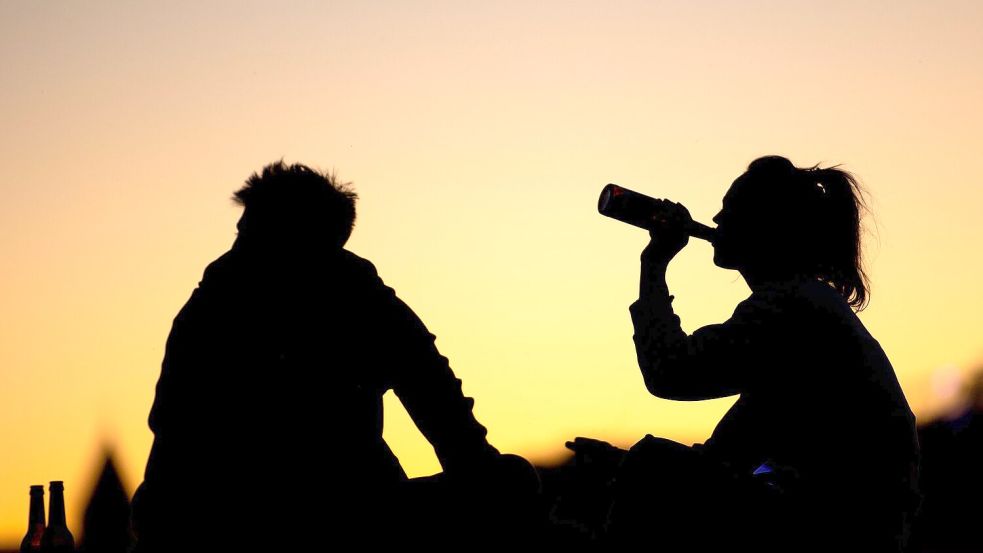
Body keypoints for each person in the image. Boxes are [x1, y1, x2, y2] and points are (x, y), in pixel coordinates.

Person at [130, 162, 530, 551]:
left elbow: (435, 393)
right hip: (247, 521)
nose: (238, 250)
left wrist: (478, 470)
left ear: (310, 244)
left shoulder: (356, 296)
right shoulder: (216, 306)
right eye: (242, 234)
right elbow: (178, 437)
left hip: (327, 512)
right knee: (509, 483)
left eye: (255, 235)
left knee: (509, 481)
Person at [577, 156, 920, 551]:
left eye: (731, 210)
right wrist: (623, 465)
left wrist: (654, 265)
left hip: (842, 531)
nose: (716, 219)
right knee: (650, 467)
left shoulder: (791, 307)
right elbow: (729, 452)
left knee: (651, 467)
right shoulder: (805, 305)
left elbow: (671, 373)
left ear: (768, 226)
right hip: (856, 523)